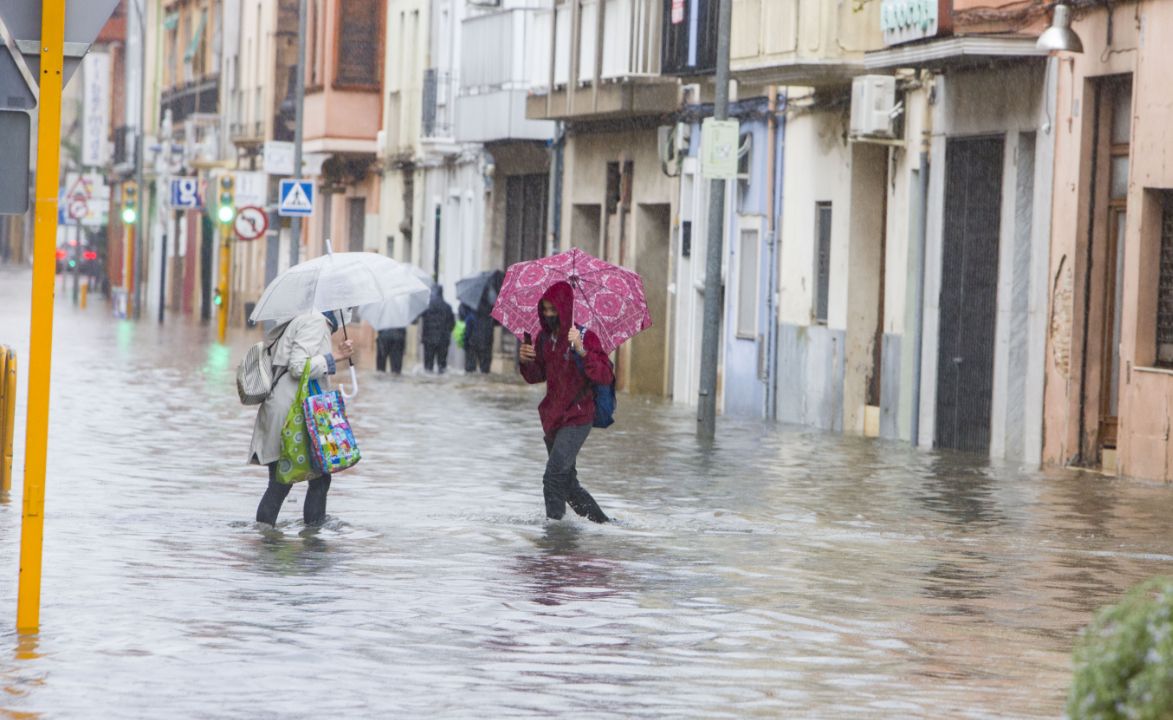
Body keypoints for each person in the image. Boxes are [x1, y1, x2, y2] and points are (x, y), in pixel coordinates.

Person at [249, 309, 354, 526]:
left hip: (285, 408)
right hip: (292, 413)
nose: (349, 311)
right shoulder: (315, 321)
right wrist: (336, 356)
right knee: (305, 481)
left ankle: (266, 539)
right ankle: (312, 544)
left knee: (286, 483)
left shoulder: (305, 318)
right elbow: (298, 367)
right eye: (348, 307)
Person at [519, 281, 612, 524]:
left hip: (578, 416)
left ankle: (555, 538)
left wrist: (581, 351)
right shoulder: (543, 338)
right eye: (545, 309)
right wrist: (526, 360)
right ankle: (604, 525)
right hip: (553, 418)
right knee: (568, 486)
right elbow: (535, 376)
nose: (548, 315)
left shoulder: (584, 337)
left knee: (553, 477)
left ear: (565, 308)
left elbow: (604, 374)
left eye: (553, 309)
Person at [420, 285, 455, 373]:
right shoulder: (448, 307)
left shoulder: (426, 307)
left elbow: (418, 319)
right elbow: (452, 324)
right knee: (442, 366)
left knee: (428, 368)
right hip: (443, 340)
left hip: (428, 341)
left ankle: (428, 384)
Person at [462, 302, 495, 374]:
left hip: (472, 345)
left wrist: (465, 344)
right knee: (485, 371)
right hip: (485, 346)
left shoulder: (471, 316)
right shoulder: (490, 317)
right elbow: (491, 333)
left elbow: (467, 332)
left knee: (470, 371)